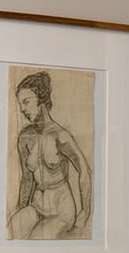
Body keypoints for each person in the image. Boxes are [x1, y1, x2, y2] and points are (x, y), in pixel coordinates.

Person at [8, 71, 92, 241]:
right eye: (20, 104)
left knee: (38, 238)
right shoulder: (25, 137)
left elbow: (84, 170)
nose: (22, 109)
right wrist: (22, 210)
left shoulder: (60, 135)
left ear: (42, 101)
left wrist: (85, 212)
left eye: (26, 102)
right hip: (37, 205)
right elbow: (27, 179)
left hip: (61, 209)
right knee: (12, 229)